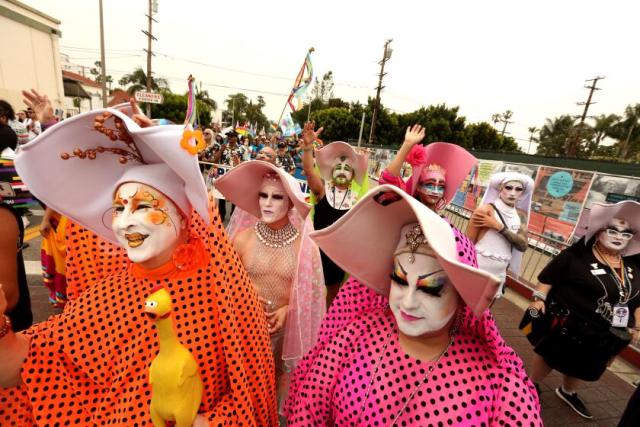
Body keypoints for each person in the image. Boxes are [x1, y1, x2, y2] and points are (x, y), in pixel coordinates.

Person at [0, 105, 278, 425]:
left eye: (143, 206)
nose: (125, 223)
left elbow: (249, 396)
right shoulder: (109, 294)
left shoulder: (222, 293)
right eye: (118, 209)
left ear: (184, 217)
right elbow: (30, 363)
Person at [284, 184, 541, 425]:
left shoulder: (499, 384)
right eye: (399, 280)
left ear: (461, 294)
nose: (407, 302)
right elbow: (309, 410)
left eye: (430, 289)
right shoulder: (355, 336)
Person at [216, 160, 325, 409]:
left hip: (283, 338)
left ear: (290, 202)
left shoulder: (306, 249)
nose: (267, 203)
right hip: (244, 331)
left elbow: (315, 298)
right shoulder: (241, 240)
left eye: (276, 197)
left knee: (272, 390)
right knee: (239, 387)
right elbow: (222, 287)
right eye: (263, 195)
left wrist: (290, 310)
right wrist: (245, 296)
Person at [526, 200, 640, 420]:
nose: (619, 236)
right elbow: (547, 278)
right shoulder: (576, 256)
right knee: (549, 355)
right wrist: (538, 299)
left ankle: (568, 392)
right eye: (613, 230)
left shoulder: (634, 265)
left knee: (583, 363)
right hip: (567, 323)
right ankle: (532, 384)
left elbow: (637, 300)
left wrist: (637, 326)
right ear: (599, 232)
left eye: (626, 234)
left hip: (605, 331)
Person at [301, 121, 368, 306]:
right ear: (331, 171)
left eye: (347, 169)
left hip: (339, 255)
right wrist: (307, 148)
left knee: (333, 292)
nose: (341, 171)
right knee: (311, 290)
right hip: (316, 250)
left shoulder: (357, 201)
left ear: (353, 176)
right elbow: (308, 170)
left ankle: (326, 323)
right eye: (338, 167)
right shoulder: (322, 190)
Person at [380, 124, 477, 212]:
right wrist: (407, 145)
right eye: (430, 184)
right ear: (418, 186)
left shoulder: (443, 222)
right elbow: (389, 180)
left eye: (441, 186)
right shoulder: (407, 209)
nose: (435, 191)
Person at [467, 171, 534, 297]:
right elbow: (468, 242)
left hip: (499, 273)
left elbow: (523, 245)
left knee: (485, 311)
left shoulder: (521, 216)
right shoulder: (485, 210)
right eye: (508, 187)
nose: (513, 193)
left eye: (518, 189)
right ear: (500, 188)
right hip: (477, 269)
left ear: (522, 193)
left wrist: (499, 227)